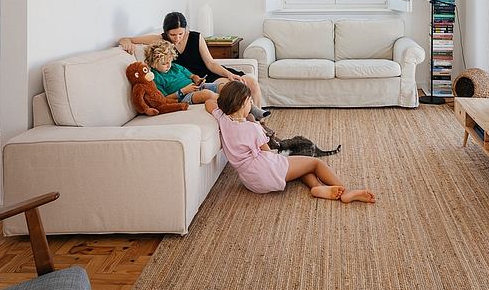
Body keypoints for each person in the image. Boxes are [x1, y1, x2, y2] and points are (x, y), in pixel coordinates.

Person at [205, 81, 375, 203]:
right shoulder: (253, 129)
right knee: (315, 163)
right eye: (250, 101)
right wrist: (256, 124)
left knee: (300, 166)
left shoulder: (222, 119)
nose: (251, 104)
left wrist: (223, 107)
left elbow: (209, 102)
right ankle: (346, 191)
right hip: (265, 171)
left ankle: (316, 187)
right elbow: (267, 152)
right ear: (243, 103)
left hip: (250, 181)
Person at [119, 11, 269, 116]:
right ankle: (250, 120)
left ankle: (259, 123)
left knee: (252, 83)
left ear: (186, 29)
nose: (177, 38)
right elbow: (129, 39)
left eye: (180, 34)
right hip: (190, 84)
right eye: (172, 34)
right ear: (165, 32)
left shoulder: (196, 37)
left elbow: (210, 63)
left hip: (207, 74)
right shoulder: (160, 41)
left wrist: (230, 74)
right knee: (236, 89)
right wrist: (124, 41)